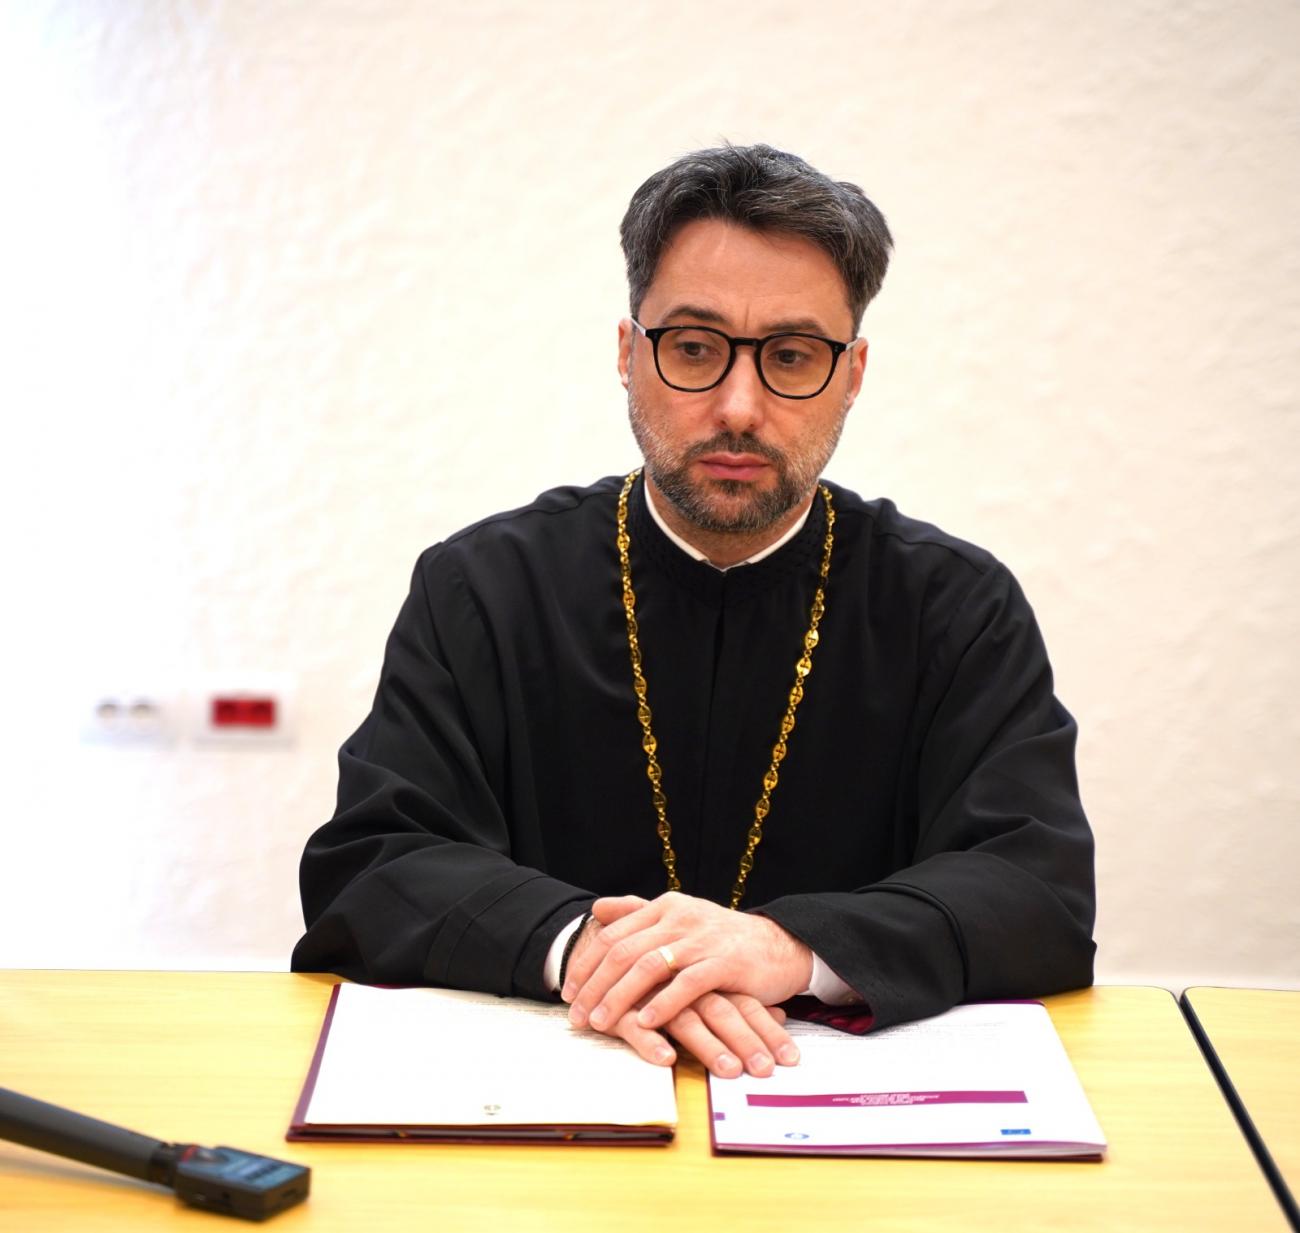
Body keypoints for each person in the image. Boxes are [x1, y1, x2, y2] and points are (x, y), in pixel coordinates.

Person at [292, 143, 1095, 1081]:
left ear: (853, 373)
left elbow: (1033, 889)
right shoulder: (483, 589)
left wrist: (789, 949)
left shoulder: (955, 609)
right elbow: (375, 862)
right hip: (553, 1107)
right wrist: (587, 948)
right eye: (695, 348)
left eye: (791, 356)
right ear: (628, 354)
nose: (739, 406)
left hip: (835, 1125)